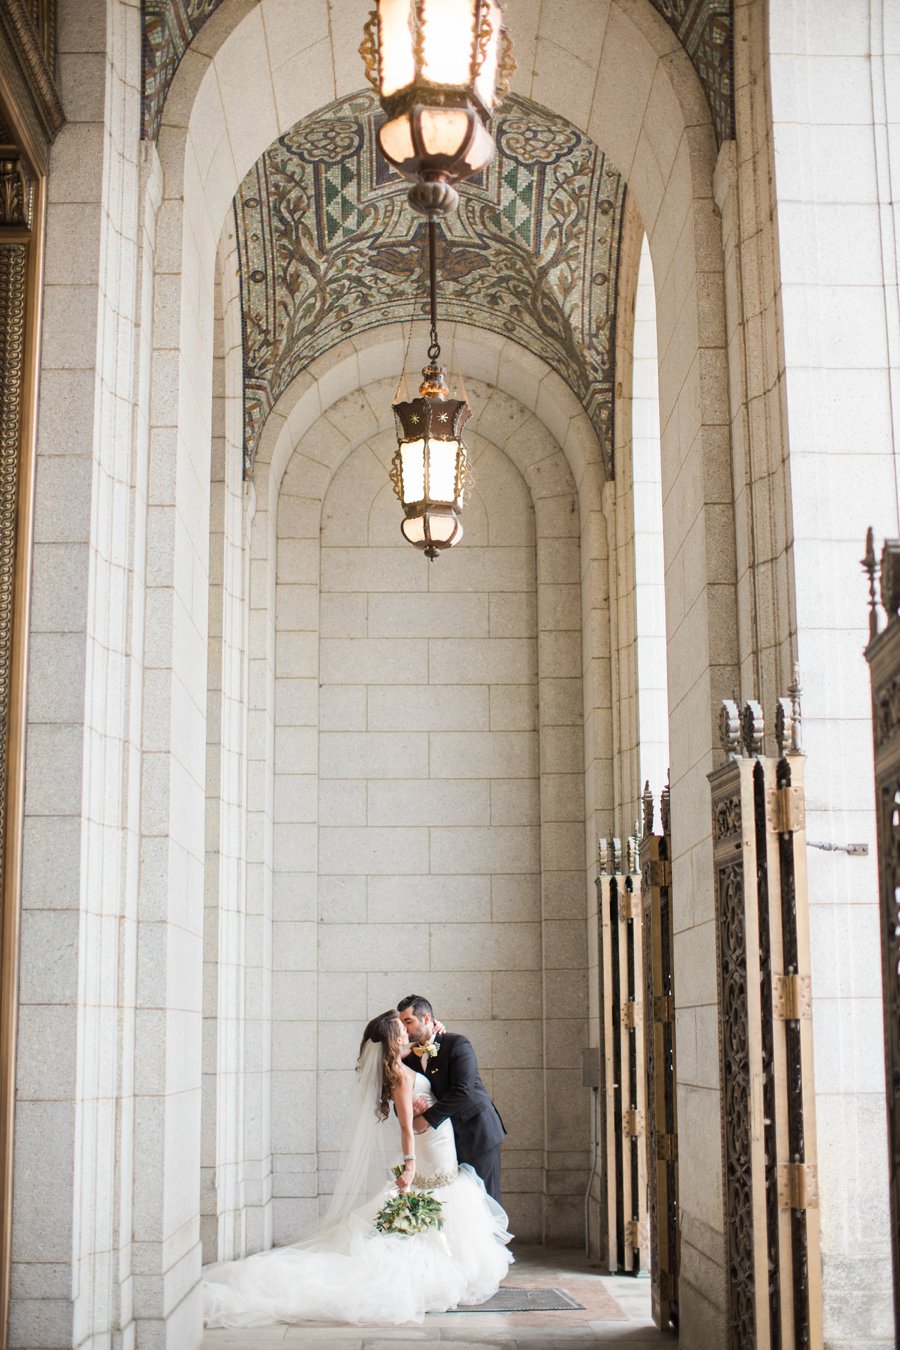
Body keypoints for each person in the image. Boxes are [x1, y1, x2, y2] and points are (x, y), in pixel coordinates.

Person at [203, 1010, 512, 1328]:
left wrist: (437, 1032)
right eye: (400, 1029)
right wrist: (409, 1163)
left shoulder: (404, 1060)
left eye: (407, 1025)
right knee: (438, 1191)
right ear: (393, 1039)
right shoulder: (401, 1073)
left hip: (439, 1138)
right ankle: (443, 1265)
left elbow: (429, 1054)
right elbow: (406, 1126)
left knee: (443, 1195)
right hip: (428, 1140)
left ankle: (454, 1261)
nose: (406, 1032)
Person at [398, 994, 507, 1204]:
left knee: (486, 1202)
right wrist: (410, 1111)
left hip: (477, 1132)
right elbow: (401, 1095)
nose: (405, 1028)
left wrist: (424, 1119)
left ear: (427, 1019)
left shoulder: (456, 1043)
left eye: (409, 1021)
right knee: (459, 1205)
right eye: (402, 1023)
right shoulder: (410, 1058)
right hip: (443, 1142)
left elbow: (463, 1091)